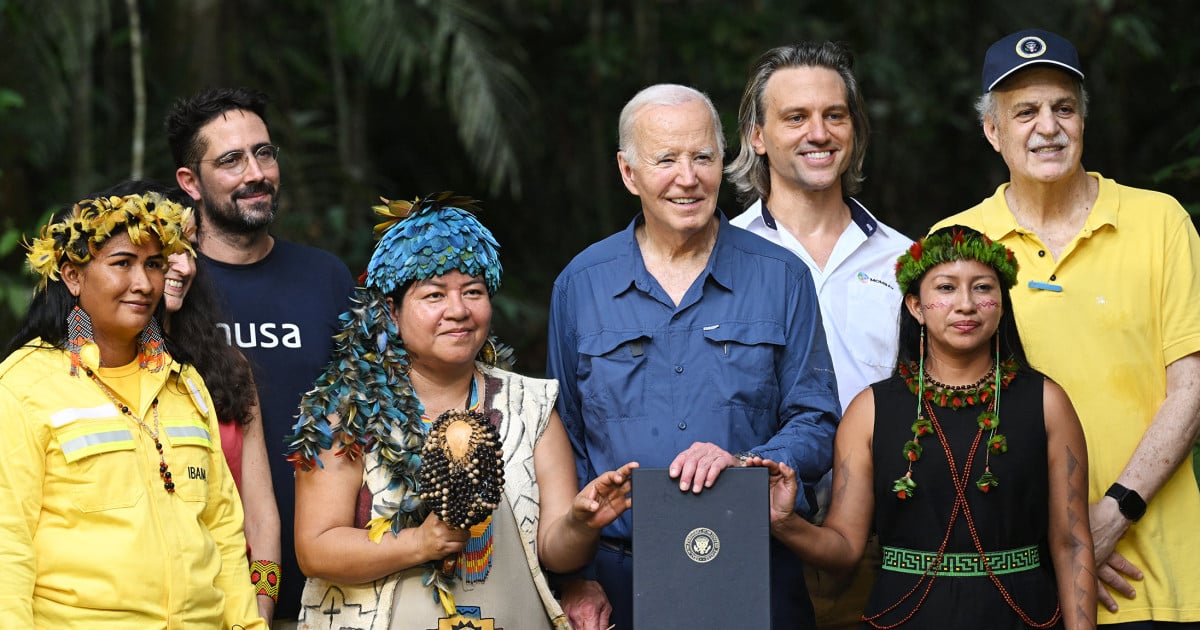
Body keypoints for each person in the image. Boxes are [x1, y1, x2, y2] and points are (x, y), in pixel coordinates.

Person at [546, 83, 841, 630]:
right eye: (666, 159)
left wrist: (752, 466)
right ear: (629, 173)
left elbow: (817, 418)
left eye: (703, 156)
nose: (689, 177)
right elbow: (563, 437)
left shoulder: (782, 277)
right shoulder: (580, 285)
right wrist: (574, 577)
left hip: (755, 566)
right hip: (618, 582)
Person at [934, 29, 1200, 626]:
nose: (1047, 127)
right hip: (1015, 572)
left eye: (1064, 108)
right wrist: (1063, 540)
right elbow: (945, 415)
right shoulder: (954, 244)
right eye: (1024, 112)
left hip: (1154, 577)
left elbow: (1193, 386)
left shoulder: (1160, 222)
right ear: (992, 131)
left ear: (1083, 121)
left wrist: (1113, 514)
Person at [285, 192, 637, 630]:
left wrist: (582, 523)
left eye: (473, 292)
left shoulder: (530, 405)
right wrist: (419, 542)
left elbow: (554, 550)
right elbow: (315, 549)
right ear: (391, 313)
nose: (458, 311)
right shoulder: (346, 412)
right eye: (434, 295)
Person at [753, 226, 1096, 628]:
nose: (966, 304)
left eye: (983, 288)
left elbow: (1071, 543)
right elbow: (844, 548)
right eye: (946, 288)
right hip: (905, 615)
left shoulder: (1047, 402)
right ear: (916, 306)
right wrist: (784, 521)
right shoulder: (870, 410)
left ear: (1001, 303)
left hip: (1021, 614)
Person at [0, 192, 267, 628]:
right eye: (122, 263)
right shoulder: (24, 386)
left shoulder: (185, 383)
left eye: (154, 265)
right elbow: (6, 546)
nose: (143, 284)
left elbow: (223, 532)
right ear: (72, 276)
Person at [726, 42, 913, 627]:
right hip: (752, 538)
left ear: (854, 130)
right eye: (795, 117)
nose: (819, 132)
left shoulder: (905, 260)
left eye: (835, 115)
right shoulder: (721, 260)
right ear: (757, 136)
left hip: (892, 543)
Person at [167, 86, 356, 623]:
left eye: (264, 152)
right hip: (205, 593)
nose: (256, 173)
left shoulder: (325, 278)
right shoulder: (165, 289)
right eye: (230, 160)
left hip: (331, 586)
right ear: (190, 182)